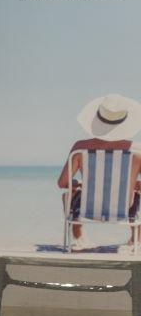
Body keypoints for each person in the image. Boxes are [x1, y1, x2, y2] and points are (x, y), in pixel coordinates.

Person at [57, 94, 141, 250]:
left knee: (69, 194)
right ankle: (136, 239)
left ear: (98, 120)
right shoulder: (137, 151)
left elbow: (62, 183)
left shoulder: (80, 148)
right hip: (124, 207)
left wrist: (80, 183)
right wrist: (134, 185)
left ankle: (79, 238)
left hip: (87, 207)